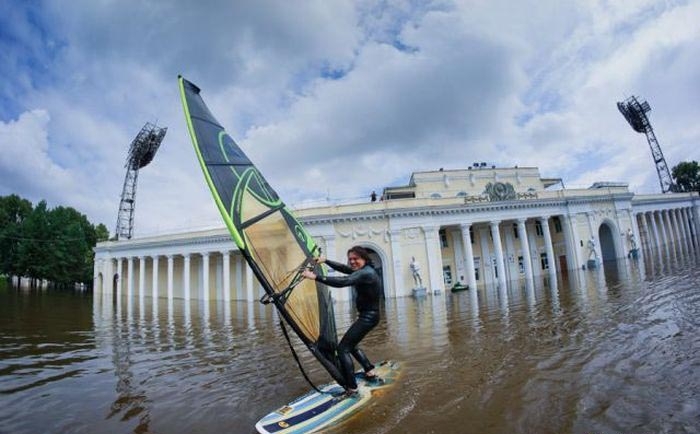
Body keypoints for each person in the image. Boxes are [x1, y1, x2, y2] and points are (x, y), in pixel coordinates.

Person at [302, 246, 381, 398]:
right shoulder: (364, 271)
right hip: (368, 316)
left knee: (343, 348)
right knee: (351, 345)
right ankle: (369, 370)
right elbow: (344, 269)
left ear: (364, 259)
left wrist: (316, 277)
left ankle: (351, 387)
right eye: (350, 258)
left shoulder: (366, 273)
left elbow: (344, 281)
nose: (352, 261)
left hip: (368, 317)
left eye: (355, 259)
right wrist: (326, 261)